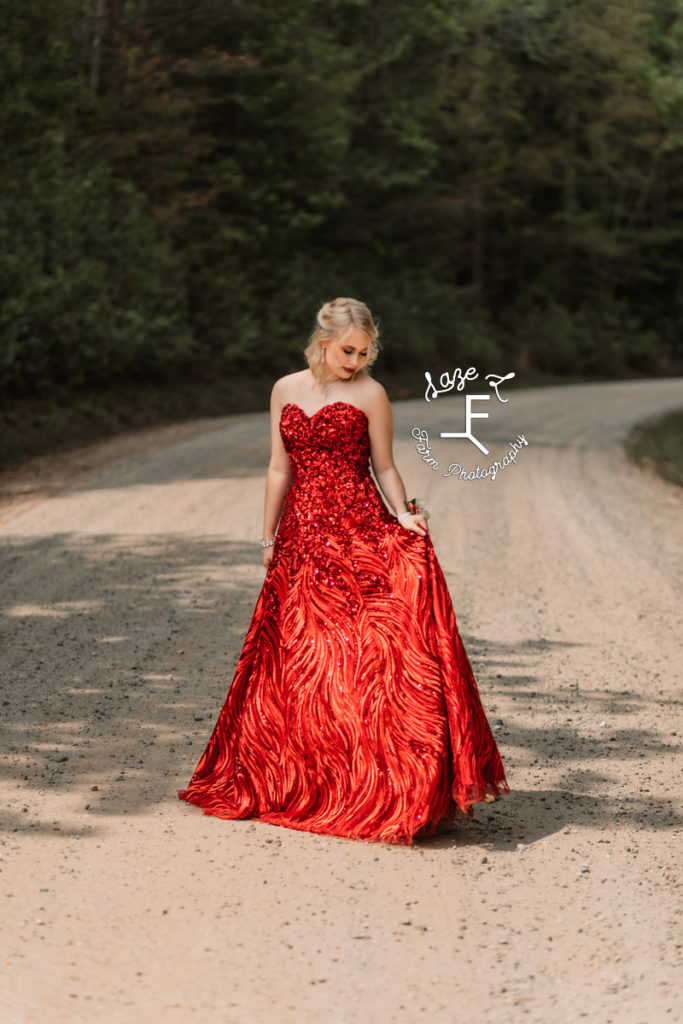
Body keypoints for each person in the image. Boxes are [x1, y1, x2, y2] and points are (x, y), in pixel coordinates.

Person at [178, 297, 510, 844]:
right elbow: (278, 466)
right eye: (347, 351)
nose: (355, 361)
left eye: (364, 352)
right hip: (302, 537)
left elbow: (384, 466)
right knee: (297, 661)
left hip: (358, 533)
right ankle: (297, 778)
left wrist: (405, 515)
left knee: (368, 659)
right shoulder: (285, 389)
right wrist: (267, 536)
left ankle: (386, 784)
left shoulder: (372, 394)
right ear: (323, 340)